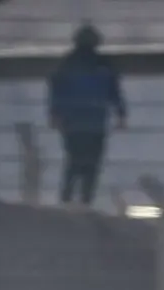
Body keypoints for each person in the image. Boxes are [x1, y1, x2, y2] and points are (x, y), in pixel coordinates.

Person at [46, 23, 126, 206]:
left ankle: (66, 200)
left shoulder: (67, 63)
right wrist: (121, 113)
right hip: (95, 123)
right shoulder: (104, 65)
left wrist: (54, 113)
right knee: (92, 164)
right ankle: (86, 201)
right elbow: (114, 92)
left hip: (72, 123)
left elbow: (56, 90)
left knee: (73, 162)